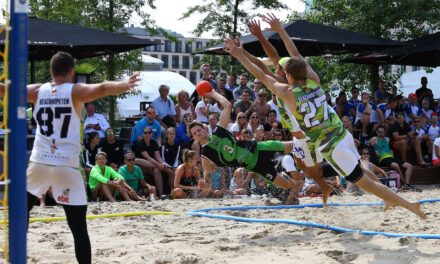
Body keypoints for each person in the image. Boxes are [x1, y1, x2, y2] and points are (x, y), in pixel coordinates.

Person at [223, 13, 425, 218]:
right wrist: (276, 32)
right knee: (327, 169)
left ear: (287, 73)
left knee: (346, 176)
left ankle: (400, 201)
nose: (275, 66)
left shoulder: (285, 90)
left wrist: (240, 54)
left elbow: (260, 70)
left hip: (320, 141)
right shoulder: (313, 80)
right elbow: (287, 57)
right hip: (338, 133)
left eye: (280, 66)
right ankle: (343, 190)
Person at [6, 51, 140, 263]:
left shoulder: (38, 90)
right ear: (71, 72)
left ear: (51, 72)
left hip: (39, 162)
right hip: (67, 166)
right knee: (78, 228)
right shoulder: (74, 91)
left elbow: (6, 91)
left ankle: (15, 256)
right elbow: (103, 88)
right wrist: (125, 84)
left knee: (20, 213)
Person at [188, 88, 298, 190]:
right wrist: (204, 185)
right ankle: (283, 173)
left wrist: (212, 93)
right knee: (285, 185)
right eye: (195, 133)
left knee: (293, 145)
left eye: (199, 130)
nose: (198, 133)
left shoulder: (218, 131)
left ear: (204, 129)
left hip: (259, 149)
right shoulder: (205, 156)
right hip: (255, 167)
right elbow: (208, 182)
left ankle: (311, 141)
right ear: (193, 137)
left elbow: (227, 105)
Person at [369, 125, 415, 190]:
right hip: (382, 159)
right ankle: (404, 183)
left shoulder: (387, 139)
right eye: (379, 131)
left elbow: (391, 146)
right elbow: (368, 146)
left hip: (390, 157)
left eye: (382, 131)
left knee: (409, 166)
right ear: (376, 132)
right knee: (395, 165)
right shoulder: (375, 139)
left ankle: (407, 184)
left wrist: (391, 151)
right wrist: (374, 151)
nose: (381, 133)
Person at [133, 127, 173, 197]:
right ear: (143, 134)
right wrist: (159, 165)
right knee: (136, 160)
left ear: (151, 134)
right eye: (145, 132)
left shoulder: (154, 143)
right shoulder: (140, 143)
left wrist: (162, 163)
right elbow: (147, 157)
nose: (147, 134)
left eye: (149, 132)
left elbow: (158, 156)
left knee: (157, 170)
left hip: (151, 165)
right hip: (142, 166)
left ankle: (161, 195)